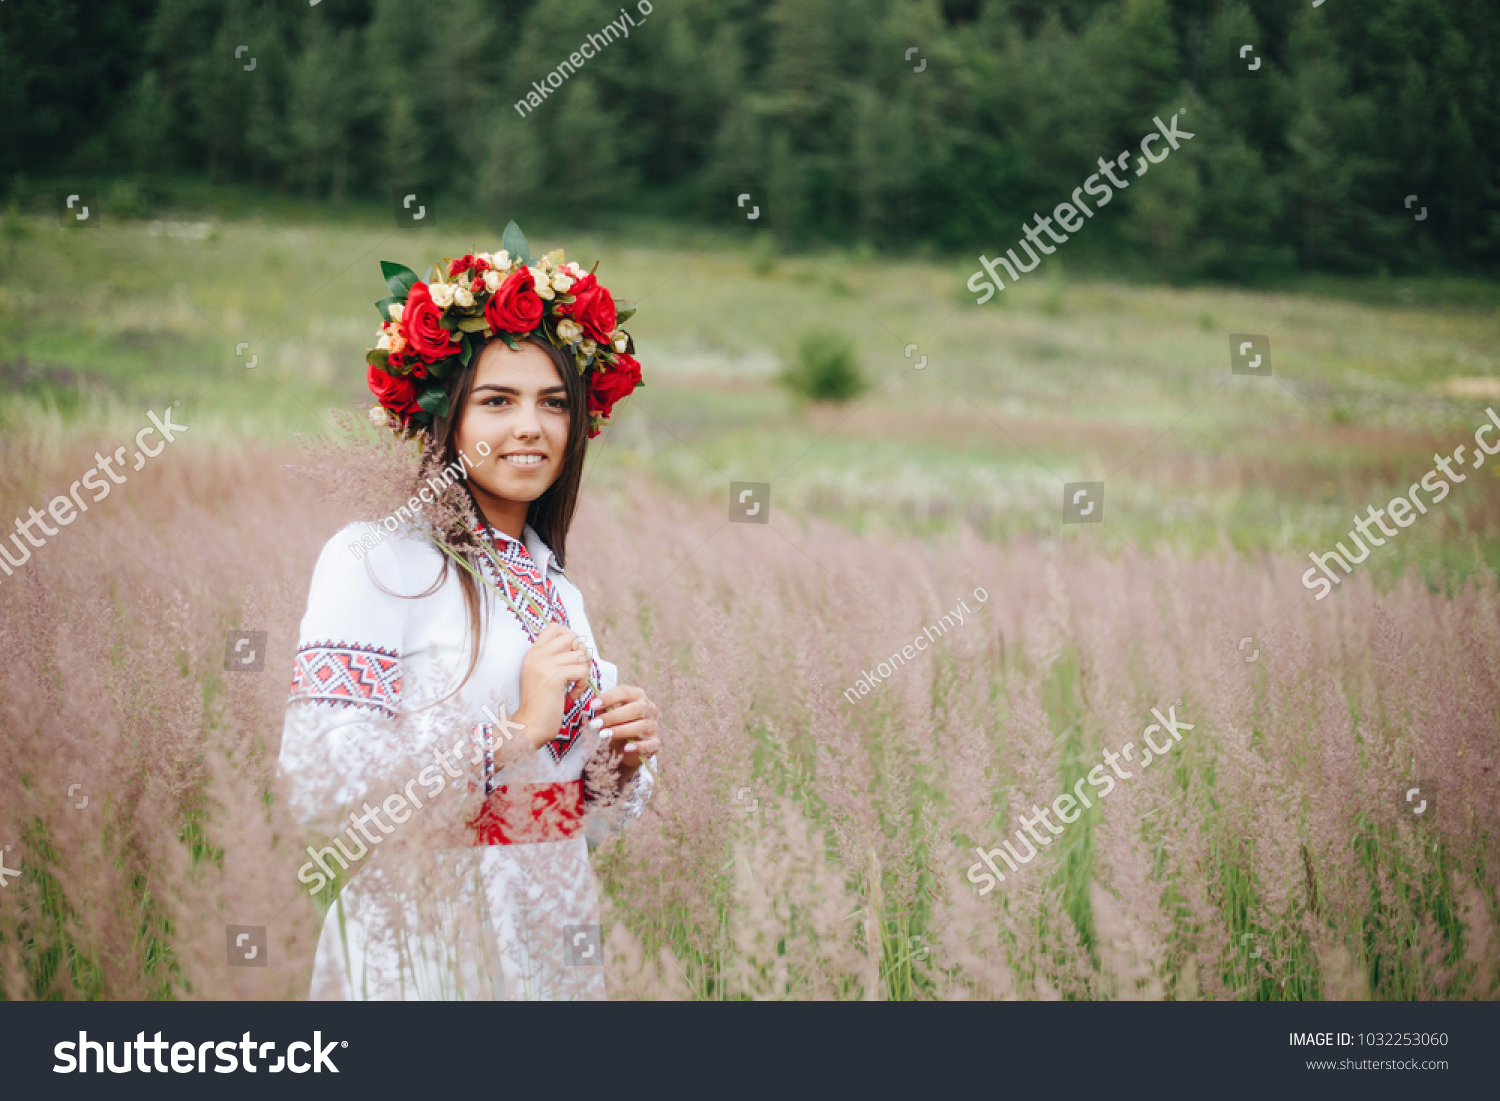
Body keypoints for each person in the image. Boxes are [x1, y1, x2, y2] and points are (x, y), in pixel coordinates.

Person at [278, 225, 655, 999]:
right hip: (425, 936)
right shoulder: (375, 559)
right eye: (497, 400)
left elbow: (571, 813)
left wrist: (620, 764)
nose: (530, 425)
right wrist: (517, 730)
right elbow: (316, 780)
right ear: (441, 418)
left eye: (554, 402)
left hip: (553, 927)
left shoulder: (556, 586)